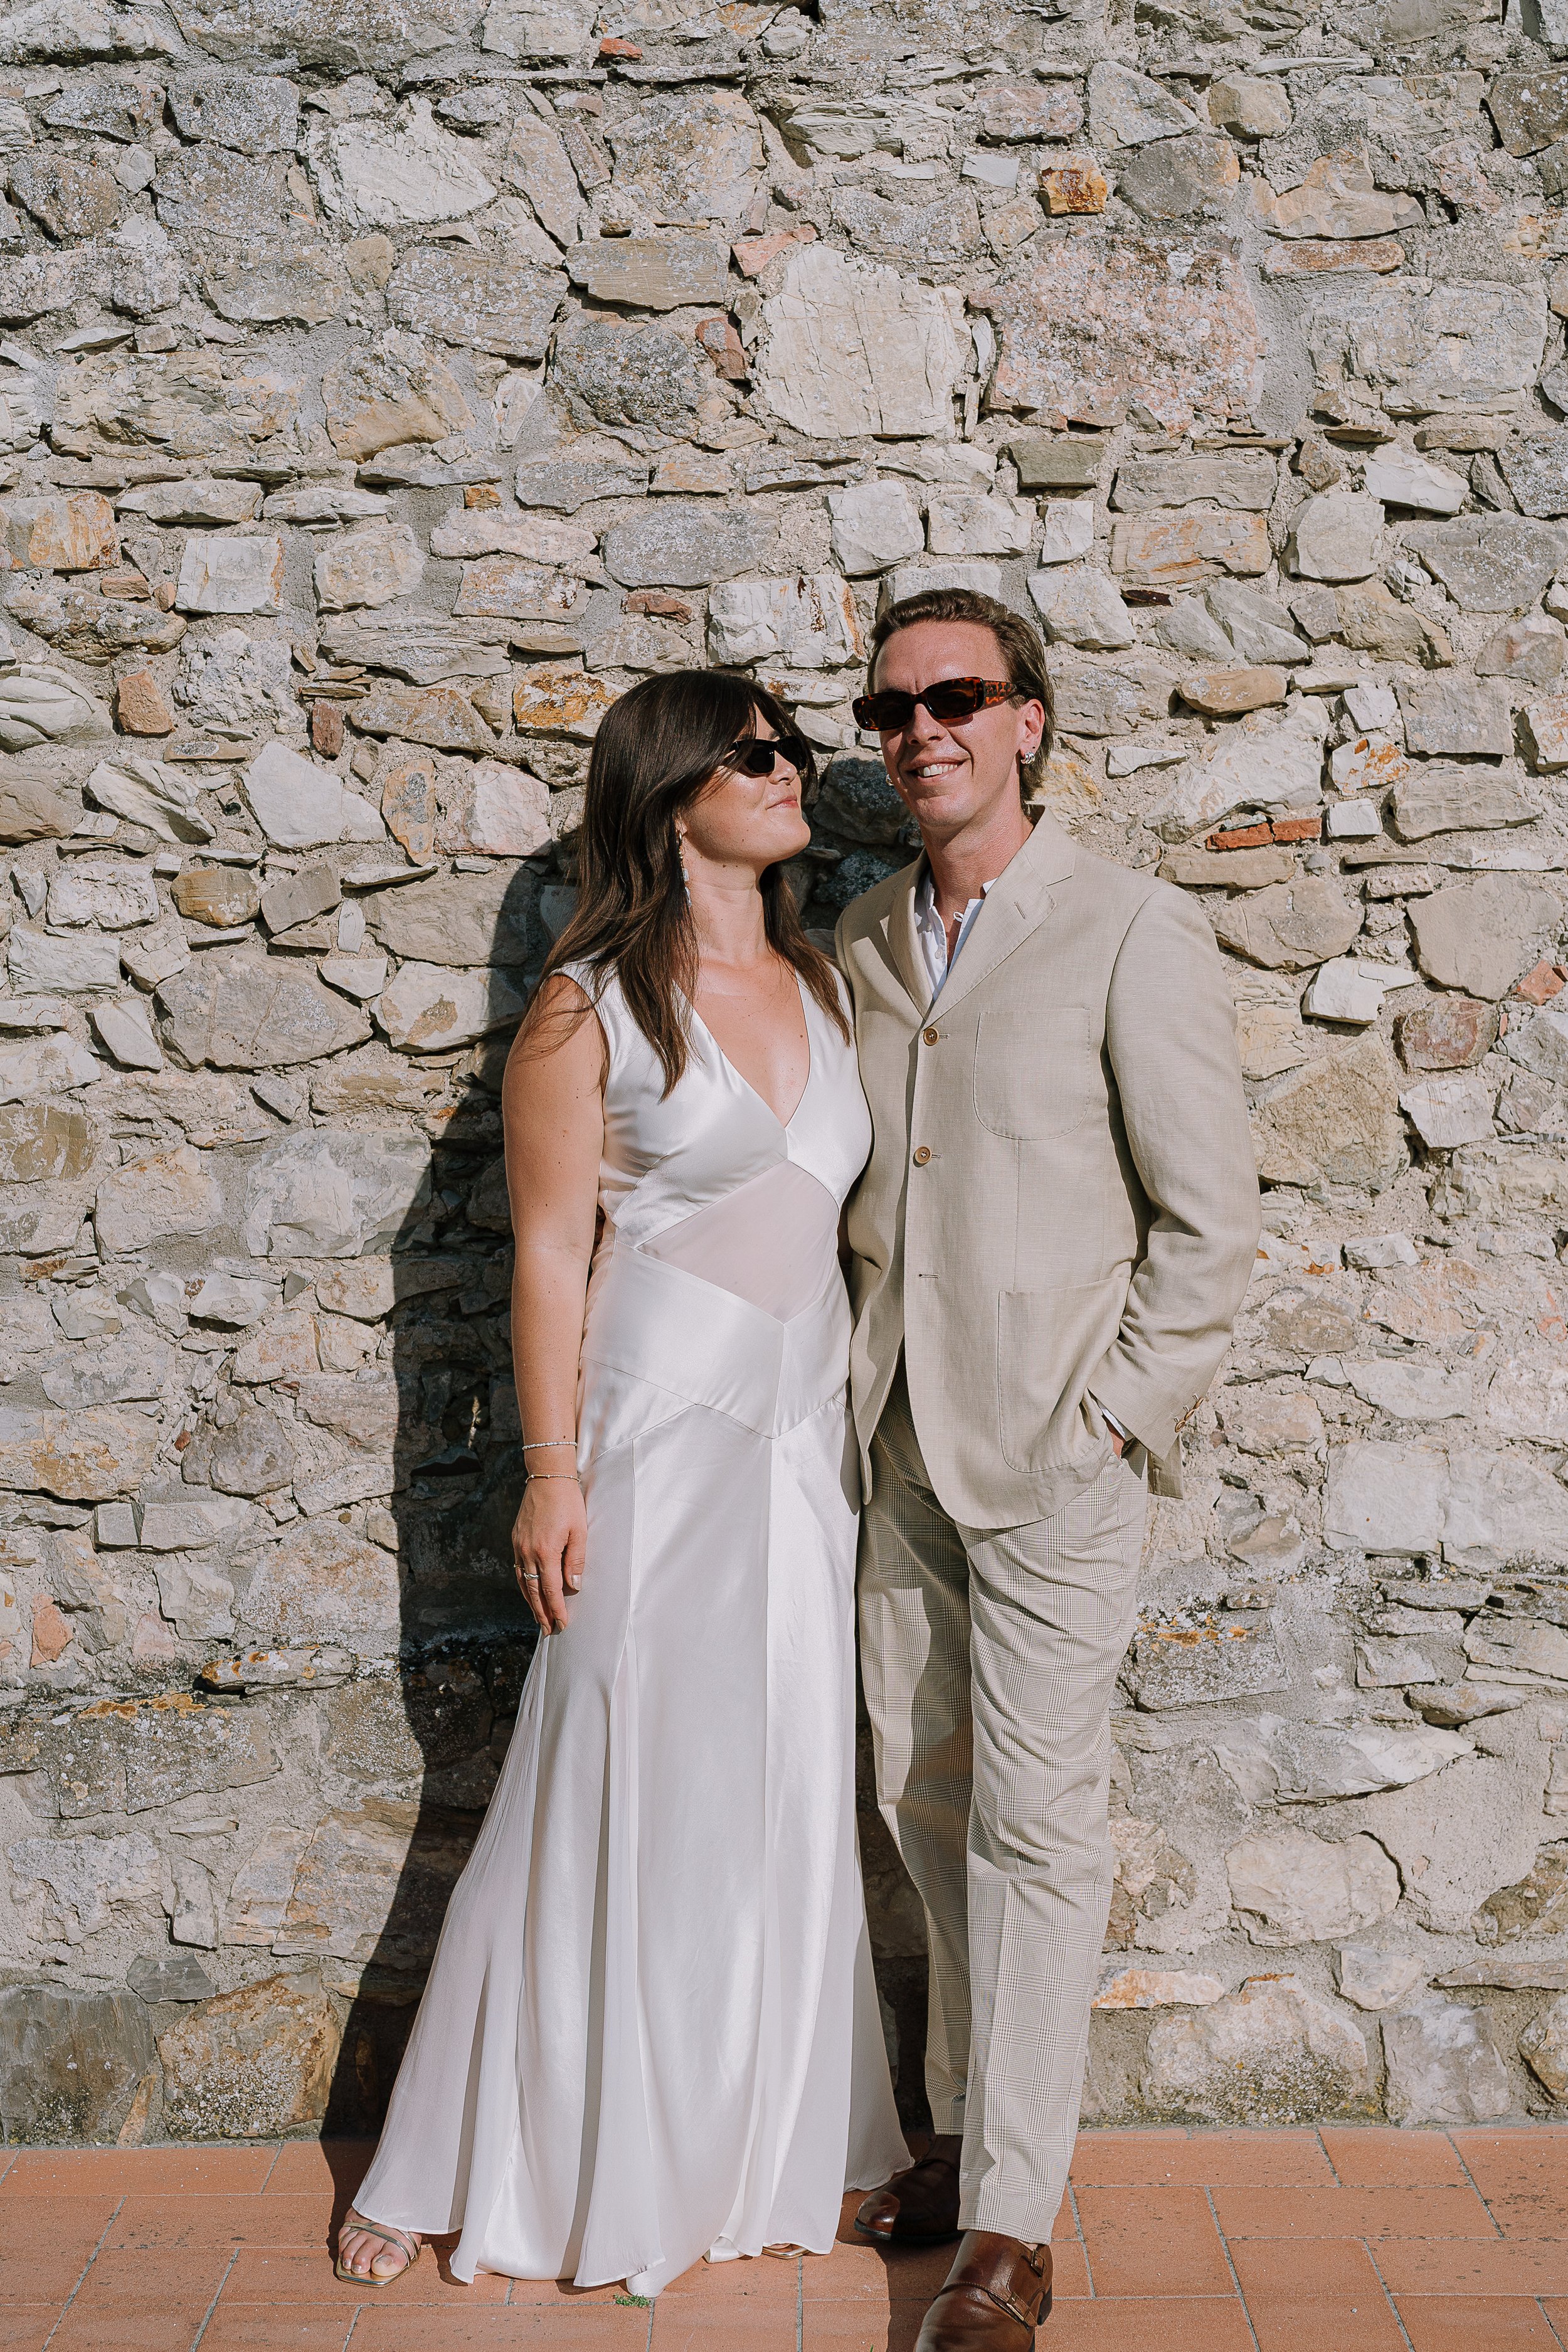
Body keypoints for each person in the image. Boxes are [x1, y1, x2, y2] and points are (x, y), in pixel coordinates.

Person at [336, 670, 908, 2297]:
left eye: (792, 746)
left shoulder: (825, 979)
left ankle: (777, 2141)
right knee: (595, 1769)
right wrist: (548, 1469)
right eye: (755, 753)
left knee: (785, 1775)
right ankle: (460, 2155)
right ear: (668, 795)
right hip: (652, 1432)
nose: (793, 770)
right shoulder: (586, 1005)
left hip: (801, 1438)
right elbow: (543, 1251)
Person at [836, 587, 1260, 2350]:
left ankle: (1011, 2235)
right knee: (923, 1802)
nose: (920, 730)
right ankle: (962, 2135)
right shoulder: (862, 934)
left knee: (1035, 1825)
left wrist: (1115, 1419)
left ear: (1027, 719)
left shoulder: (1126, 925)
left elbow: (1209, 1222)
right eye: (890, 708)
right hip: (898, 1446)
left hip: (1055, 1457)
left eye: (955, 696)